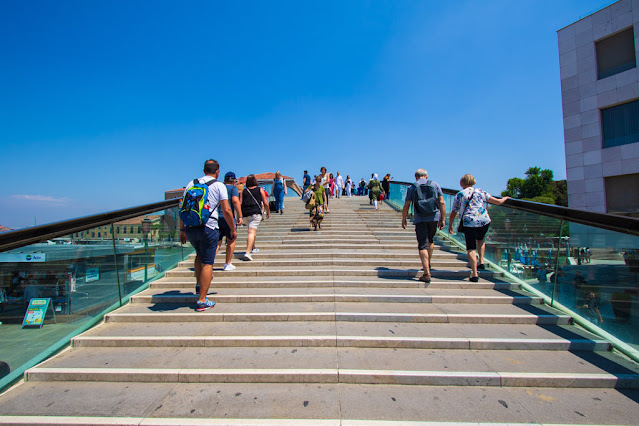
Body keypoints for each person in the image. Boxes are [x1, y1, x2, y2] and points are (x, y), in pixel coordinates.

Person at [180, 159, 236, 312]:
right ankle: (202, 300)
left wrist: (182, 230)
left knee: (199, 255)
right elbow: (226, 210)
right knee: (208, 262)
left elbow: (182, 207)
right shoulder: (219, 186)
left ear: (204, 170)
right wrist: (232, 229)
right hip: (209, 227)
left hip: (191, 227)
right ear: (217, 171)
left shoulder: (191, 183)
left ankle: (199, 284)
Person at [447, 174, 509, 283]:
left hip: (469, 221)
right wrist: (504, 199)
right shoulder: (481, 192)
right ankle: (481, 261)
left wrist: (451, 224)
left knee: (471, 247)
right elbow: (497, 202)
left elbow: (454, 211)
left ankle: (475, 273)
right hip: (484, 220)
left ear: (462, 183)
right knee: (480, 239)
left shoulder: (460, 194)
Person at [401, 169, 445, 283]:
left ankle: (426, 273)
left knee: (422, 244)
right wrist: (443, 218)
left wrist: (404, 218)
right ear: (426, 176)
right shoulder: (435, 184)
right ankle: (428, 263)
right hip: (434, 217)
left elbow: (406, 205)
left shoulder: (413, 187)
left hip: (420, 218)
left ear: (416, 177)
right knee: (430, 240)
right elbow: (442, 202)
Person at [216, 171, 243, 271]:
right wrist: (240, 216)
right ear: (234, 180)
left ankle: (208, 264)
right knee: (231, 239)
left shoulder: (220, 187)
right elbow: (235, 201)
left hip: (217, 217)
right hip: (228, 216)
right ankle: (227, 263)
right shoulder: (233, 188)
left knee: (217, 242)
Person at [240, 174, 270, 260]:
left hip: (245, 214)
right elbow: (265, 202)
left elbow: (240, 202)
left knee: (252, 230)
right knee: (251, 232)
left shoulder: (244, 191)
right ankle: (247, 252)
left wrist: (239, 216)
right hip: (255, 213)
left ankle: (253, 247)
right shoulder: (259, 190)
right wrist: (268, 212)